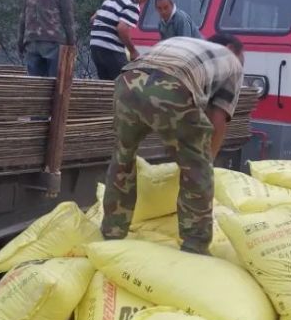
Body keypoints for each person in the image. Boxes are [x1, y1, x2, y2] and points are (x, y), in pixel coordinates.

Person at [101, 33, 245, 255]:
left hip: (127, 80)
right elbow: (218, 119)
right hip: (173, 83)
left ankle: (112, 231)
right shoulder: (232, 61)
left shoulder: (182, 43)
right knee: (197, 167)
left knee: (123, 156)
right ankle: (195, 245)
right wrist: (205, 163)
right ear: (231, 48)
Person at [90, 0, 153, 80]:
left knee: (105, 85)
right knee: (125, 83)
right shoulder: (133, 4)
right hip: (111, 49)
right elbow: (122, 28)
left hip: (95, 47)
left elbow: (92, 19)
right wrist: (132, 50)